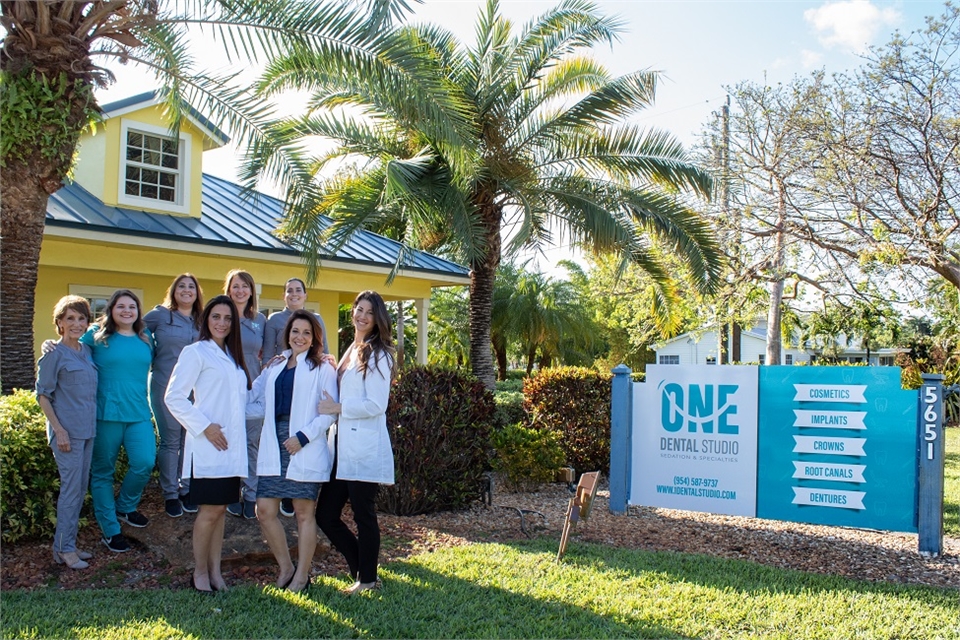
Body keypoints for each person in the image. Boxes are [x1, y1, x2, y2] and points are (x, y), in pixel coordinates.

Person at [165, 296, 250, 593]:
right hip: (209, 446)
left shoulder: (233, 358)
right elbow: (174, 397)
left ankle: (216, 571)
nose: (222, 323)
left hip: (231, 450)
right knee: (209, 512)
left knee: (221, 511)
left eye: (228, 318)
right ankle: (199, 572)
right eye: (216, 316)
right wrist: (205, 427)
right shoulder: (195, 352)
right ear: (206, 320)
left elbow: (242, 405)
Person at [249, 310, 338, 592]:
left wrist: (302, 436)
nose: (300, 337)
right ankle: (286, 566)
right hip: (273, 442)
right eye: (295, 331)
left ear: (314, 339)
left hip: (304, 444)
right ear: (287, 334)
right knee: (264, 509)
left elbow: (329, 411)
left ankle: (302, 575)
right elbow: (254, 400)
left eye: (306, 333)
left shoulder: (323, 367)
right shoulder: (274, 367)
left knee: (303, 512)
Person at [316, 290, 396, 595]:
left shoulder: (380, 353)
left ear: (378, 319)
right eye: (358, 310)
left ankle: (367, 580)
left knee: (364, 515)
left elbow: (377, 405)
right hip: (342, 448)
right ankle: (361, 567)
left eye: (369, 312)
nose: (361, 316)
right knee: (326, 515)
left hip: (363, 447)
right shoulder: (353, 347)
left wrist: (338, 409)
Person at [81, 290, 155, 553]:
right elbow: (70, 349)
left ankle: (125, 506)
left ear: (138, 311)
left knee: (145, 461)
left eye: (132, 306)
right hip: (106, 414)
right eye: (121, 306)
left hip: (138, 413)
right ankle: (110, 530)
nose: (127, 311)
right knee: (103, 473)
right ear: (111, 309)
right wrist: (50, 345)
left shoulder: (146, 338)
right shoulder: (96, 336)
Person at [36, 296, 98, 569]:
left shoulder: (86, 350)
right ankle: (64, 549)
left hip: (88, 431)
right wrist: (58, 430)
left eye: (81, 318)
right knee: (71, 490)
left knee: (79, 488)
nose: (76, 323)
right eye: (70, 318)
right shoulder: (53, 354)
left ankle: (67, 543)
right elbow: (43, 396)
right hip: (66, 434)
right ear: (59, 323)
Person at [262, 276, 329, 518]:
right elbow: (269, 353)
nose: (293, 293)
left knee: (304, 510)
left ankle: (291, 498)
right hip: (277, 414)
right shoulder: (274, 322)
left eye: (298, 290)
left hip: (303, 425)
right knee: (266, 507)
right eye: (289, 290)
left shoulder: (320, 363)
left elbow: (325, 353)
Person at [144, 273, 203, 518]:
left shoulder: (202, 321)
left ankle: (187, 488)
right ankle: (170, 493)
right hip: (165, 386)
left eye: (191, 286)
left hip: (196, 391)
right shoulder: (160, 315)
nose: (187, 290)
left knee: (190, 440)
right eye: (182, 286)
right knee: (171, 440)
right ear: (173, 290)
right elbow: (128, 326)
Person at [223, 269, 266, 520]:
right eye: (235, 286)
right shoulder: (221, 317)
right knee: (228, 441)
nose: (240, 291)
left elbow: (269, 353)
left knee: (251, 443)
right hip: (226, 388)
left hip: (253, 387)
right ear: (228, 290)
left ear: (251, 291)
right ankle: (230, 494)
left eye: (244, 286)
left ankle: (250, 495)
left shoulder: (260, 320)